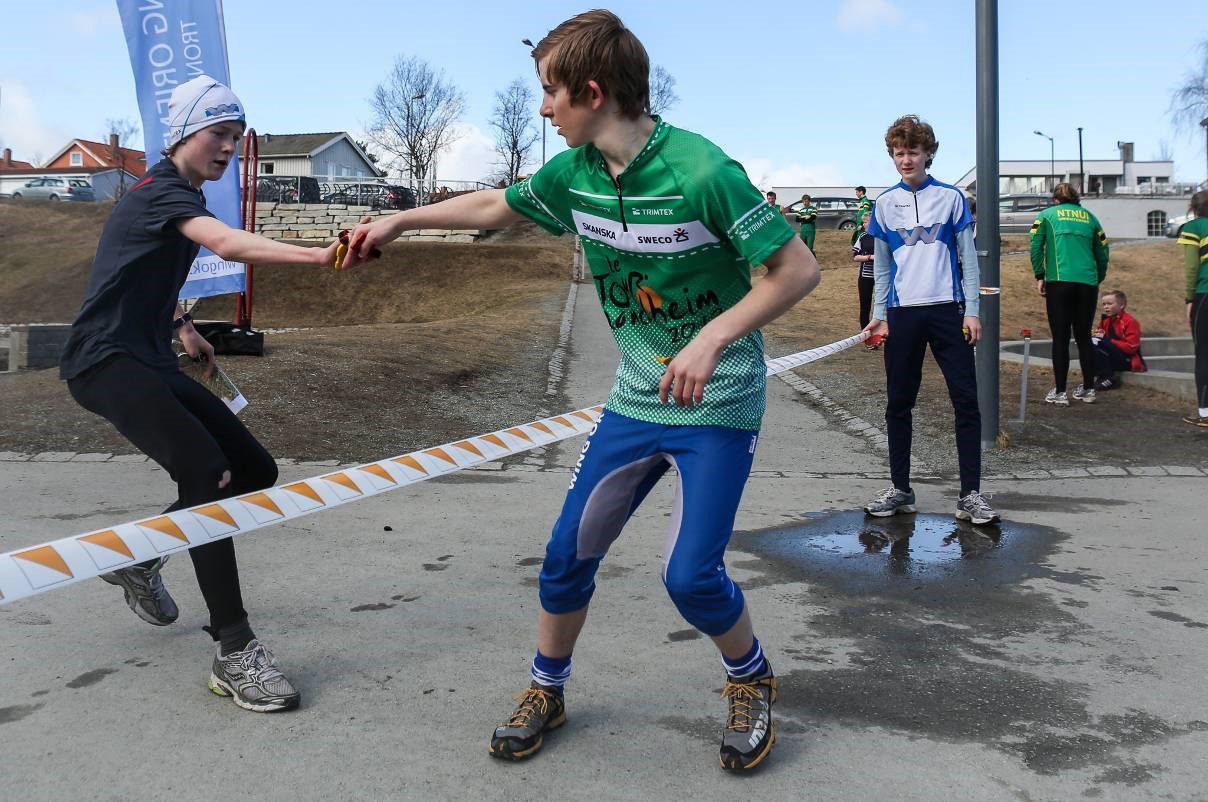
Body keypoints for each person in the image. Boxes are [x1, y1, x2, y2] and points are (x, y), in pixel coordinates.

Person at [345, 10, 820, 771]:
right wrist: (402, 221)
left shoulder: (703, 172)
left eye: (548, 92)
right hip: (635, 399)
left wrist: (712, 336)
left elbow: (798, 271)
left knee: (691, 578)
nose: (542, 108)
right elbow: (495, 205)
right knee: (566, 555)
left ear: (592, 92)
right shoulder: (576, 176)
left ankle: (750, 676)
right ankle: (548, 688)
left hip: (717, 402)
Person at [59, 75, 343, 713]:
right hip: (104, 363)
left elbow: (137, 272)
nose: (226, 148)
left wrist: (183, 326)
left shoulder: (173, 197)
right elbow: (225, 243)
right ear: (184, 133)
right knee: (208, 476)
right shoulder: (161, 191)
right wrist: (315, 256)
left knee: (253, 468)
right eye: (218, 134)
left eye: (235, 137)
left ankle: (140, 558)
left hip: (149, 355)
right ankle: (234, 649)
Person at [860, 115, 999, 526]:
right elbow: (881, 269)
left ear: (928, 154)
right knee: (898, 403)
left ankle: (970, 494)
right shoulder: (883, 204)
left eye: (913, 152)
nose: (906, 160)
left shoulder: (952, 199)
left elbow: (969, 261)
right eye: (899, 153)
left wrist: (972, 309)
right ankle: (901, 488)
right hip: (902, 316)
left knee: (965, 401)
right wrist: (878, 316)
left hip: (947, 311)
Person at [1030, 182, 1109, 406]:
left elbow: (1035, 245)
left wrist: (1039, 275)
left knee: (1061, 338)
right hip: (1087, 282)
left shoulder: (1046, 216)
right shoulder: (1091, 218)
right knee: (1084, 337)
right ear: (1076, 199)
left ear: (1055, 200)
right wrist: (1098, 276)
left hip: (1059, 281)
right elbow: (1103, 249)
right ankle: (1088, 389)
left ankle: (1061, 392)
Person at [1177, 189, 1208, 426]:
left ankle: (1206, 413)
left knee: (1204, 355)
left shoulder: (1194, 228)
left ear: (1194, 208)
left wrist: (1189, 299)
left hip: (1204, 295)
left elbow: (1190, 268)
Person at [1092, 290, 1146, 390]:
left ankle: (1109, 377)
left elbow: (1131, 348)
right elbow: (1098, 336)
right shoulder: (1105, 321)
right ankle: (1100, 376)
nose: (1106, 307)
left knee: (1098, 342)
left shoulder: (1130, 322)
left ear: (1121, 305)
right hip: (1113, 357)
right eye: (1104, 304)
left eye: (1109, 304)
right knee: (1090, 342)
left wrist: (1108, 341)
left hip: (1128, 360)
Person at [851, 201, 878, 345]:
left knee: (881, 305)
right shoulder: (862, 237)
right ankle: (866, 337)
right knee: (865, 305)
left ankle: (881, 333)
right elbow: (855, 256)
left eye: (866, 222)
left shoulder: (882, 236)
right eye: (863, 222)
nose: (863, 225)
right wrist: (869, 257)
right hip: (865, 276)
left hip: (882, 276)